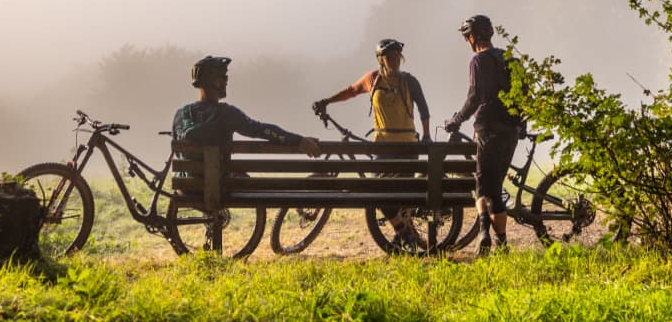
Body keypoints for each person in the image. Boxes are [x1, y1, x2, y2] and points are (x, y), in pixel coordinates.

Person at [311, 38, 432, 246]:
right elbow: (351, 90)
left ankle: (402, 234)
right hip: (383, 145)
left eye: (397, 56)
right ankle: (405, 234)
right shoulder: (373, 79)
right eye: (390, 57)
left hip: (407, 145)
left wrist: (427, 134)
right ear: (380, 59)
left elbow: (423, 108)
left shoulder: (409, 81)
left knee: (401, 196)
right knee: (378, 192)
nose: (395, 60)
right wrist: (327, 101)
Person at [444, 15, 524, 255]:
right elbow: (523, 95)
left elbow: (475, 95)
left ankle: (483, 233)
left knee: (482, 185)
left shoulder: (478, 60)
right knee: (495, 184)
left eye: (467, 37)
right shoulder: (511, 60)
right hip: (509, 130)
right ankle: (500, 242)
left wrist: (456, 120)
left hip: (487, 128)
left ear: (472, 37)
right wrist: (520, 124)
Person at [173, 55, 321, 157]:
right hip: (219, 187)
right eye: (222, 78)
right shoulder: (226, 114)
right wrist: (299, 140)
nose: (226, 81)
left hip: (185, 189)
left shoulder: (180, 114)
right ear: (211, 81)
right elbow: (260, 130)